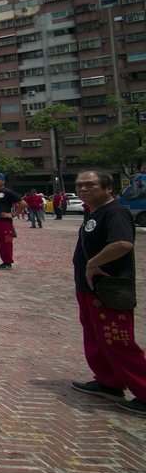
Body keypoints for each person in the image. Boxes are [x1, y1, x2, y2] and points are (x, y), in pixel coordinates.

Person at [69, 170, 146, 416]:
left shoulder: (115, 212)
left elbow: (123, 244)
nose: (83, 189)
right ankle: (109, 382)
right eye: (79, 185)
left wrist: (93, 263)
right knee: (94, 338)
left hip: (108, 288)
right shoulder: (95, 211)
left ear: (108, 188)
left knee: (118, 341)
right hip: (89, 288)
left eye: (90, 185)